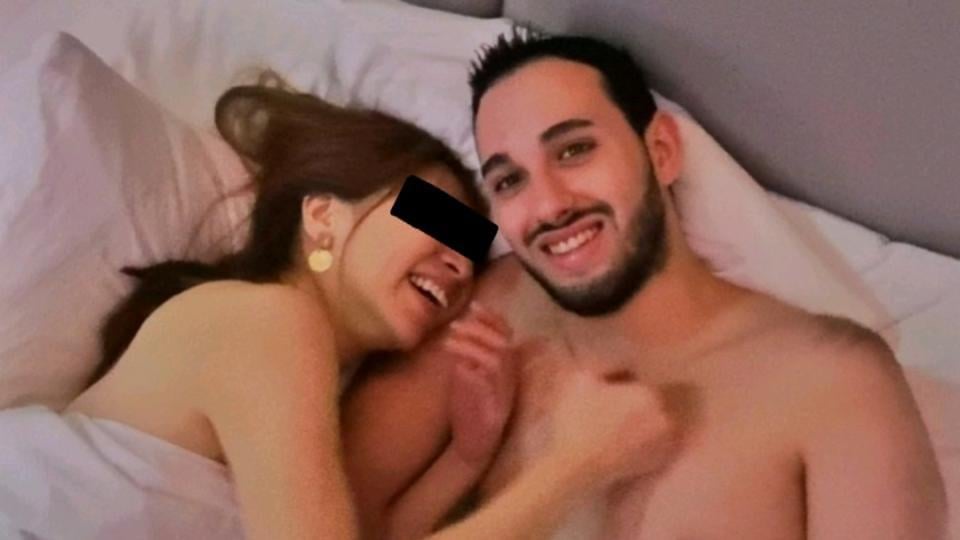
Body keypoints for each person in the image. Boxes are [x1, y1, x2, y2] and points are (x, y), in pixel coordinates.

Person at [0, 78, 675, 539]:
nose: (459, 264)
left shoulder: (306, 376)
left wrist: (465, 458)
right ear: (322, 216)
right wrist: (578, 465)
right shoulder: (266, 321)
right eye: (433, 219)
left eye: (471, 253)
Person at [341, 30, 948, 539]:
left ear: (660, 150)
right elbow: (330, 521)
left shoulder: (832, 379)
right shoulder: (486, 313)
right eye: (509, 181)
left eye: (574, 150)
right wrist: (470, 461)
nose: (549, 205)